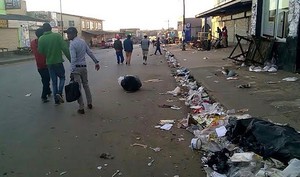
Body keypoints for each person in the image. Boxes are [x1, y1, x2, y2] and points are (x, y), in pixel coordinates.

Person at [64, 27, 100, 114]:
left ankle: (81, 107)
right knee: (86, 85)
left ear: (73, 34)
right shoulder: (82, 42)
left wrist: (72, 71)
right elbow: (89, 52)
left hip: (76, 68)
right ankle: (90, 103)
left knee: (78, 87)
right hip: (83, 67)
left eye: (68, 34)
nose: (67, 35)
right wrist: (96, 62)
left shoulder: (72, 44)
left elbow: (73, 59)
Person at [38, 22, 71, 105]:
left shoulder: (41, 39)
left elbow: (40, 51)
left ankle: (56, 100)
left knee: (54, 81)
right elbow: (65, 48)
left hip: (49, 63)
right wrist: (71, 60)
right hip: (58, 61)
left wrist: (47, 52)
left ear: (43, 30)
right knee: (62, 78)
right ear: (51, 28)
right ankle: (59, 93)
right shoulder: (57, 36)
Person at [30, 27, 51, 103]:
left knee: (44, 79)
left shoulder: (32, 42)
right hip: (46, 64)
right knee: (46, 80)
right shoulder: (45, 42)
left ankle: (48, 91)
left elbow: (33, 50)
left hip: (39, 65)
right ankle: (44, 96)